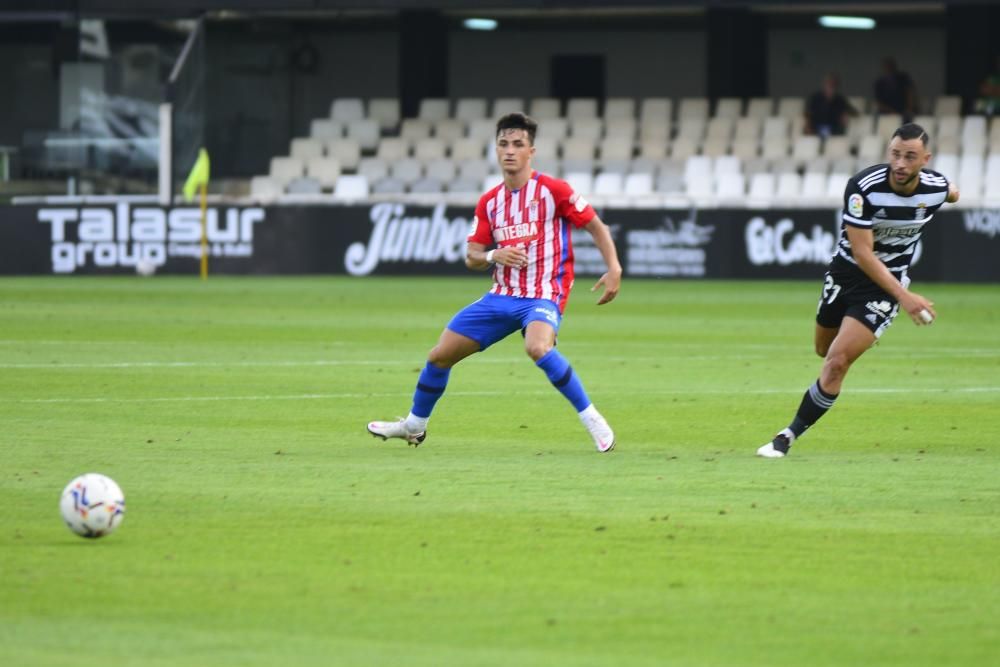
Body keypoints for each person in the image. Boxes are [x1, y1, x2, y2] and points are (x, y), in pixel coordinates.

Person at [367, 112, 623, 452]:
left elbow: (595, 225)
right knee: (439, 356)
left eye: (518, 144)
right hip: (501, 296)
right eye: (503, 144)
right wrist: (494, 255)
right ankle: (414, 425)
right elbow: (472, 256)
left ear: (531, 151)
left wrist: (614, 267)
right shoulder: (490, 202)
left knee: (537, 347)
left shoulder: (553, 191)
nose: (510, 151)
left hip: (543, 293)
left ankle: (592, 418)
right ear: (496, 149)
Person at [757, 123, 960, 458]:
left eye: (910, 156)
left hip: (884, 289)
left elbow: (951, 192)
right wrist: (907, 298)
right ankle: (856, 334)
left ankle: (786, 437)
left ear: (925, 159)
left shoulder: (934, 188)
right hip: (846, 274)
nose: (900, 163)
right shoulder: (863, 187)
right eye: (895, 154)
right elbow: (863, 254)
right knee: (824, 349)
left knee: (837, 363)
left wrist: (952, 191)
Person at [804, 73, 857, 138]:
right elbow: (808, 113)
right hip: (816, 129)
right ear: (825, 84)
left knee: (839, 133)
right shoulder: (815, 98)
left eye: (833, 85)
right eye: (828, 84)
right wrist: (808, 125)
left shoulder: (840, 100)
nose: (830, 87)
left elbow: (854, 112)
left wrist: (846, 114)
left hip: (833, 130)